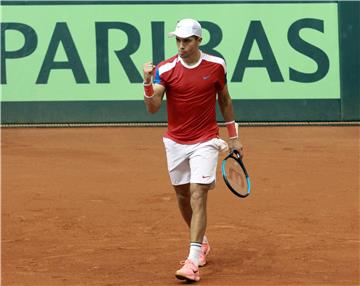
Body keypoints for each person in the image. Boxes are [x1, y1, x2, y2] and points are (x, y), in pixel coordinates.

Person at [142, 18, 243, 282]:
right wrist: (146, 83)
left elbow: (225, 99)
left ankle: (192, 260)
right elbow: (153, 108)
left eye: (186, 40)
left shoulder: (216, 66)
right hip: (175, 142)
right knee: (183, 197)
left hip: (206, 140)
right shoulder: (166, 69)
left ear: (198, 41)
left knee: (198, 194)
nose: (181, 45)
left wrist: (233, 137)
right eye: (178, 40)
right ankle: (203, 242)